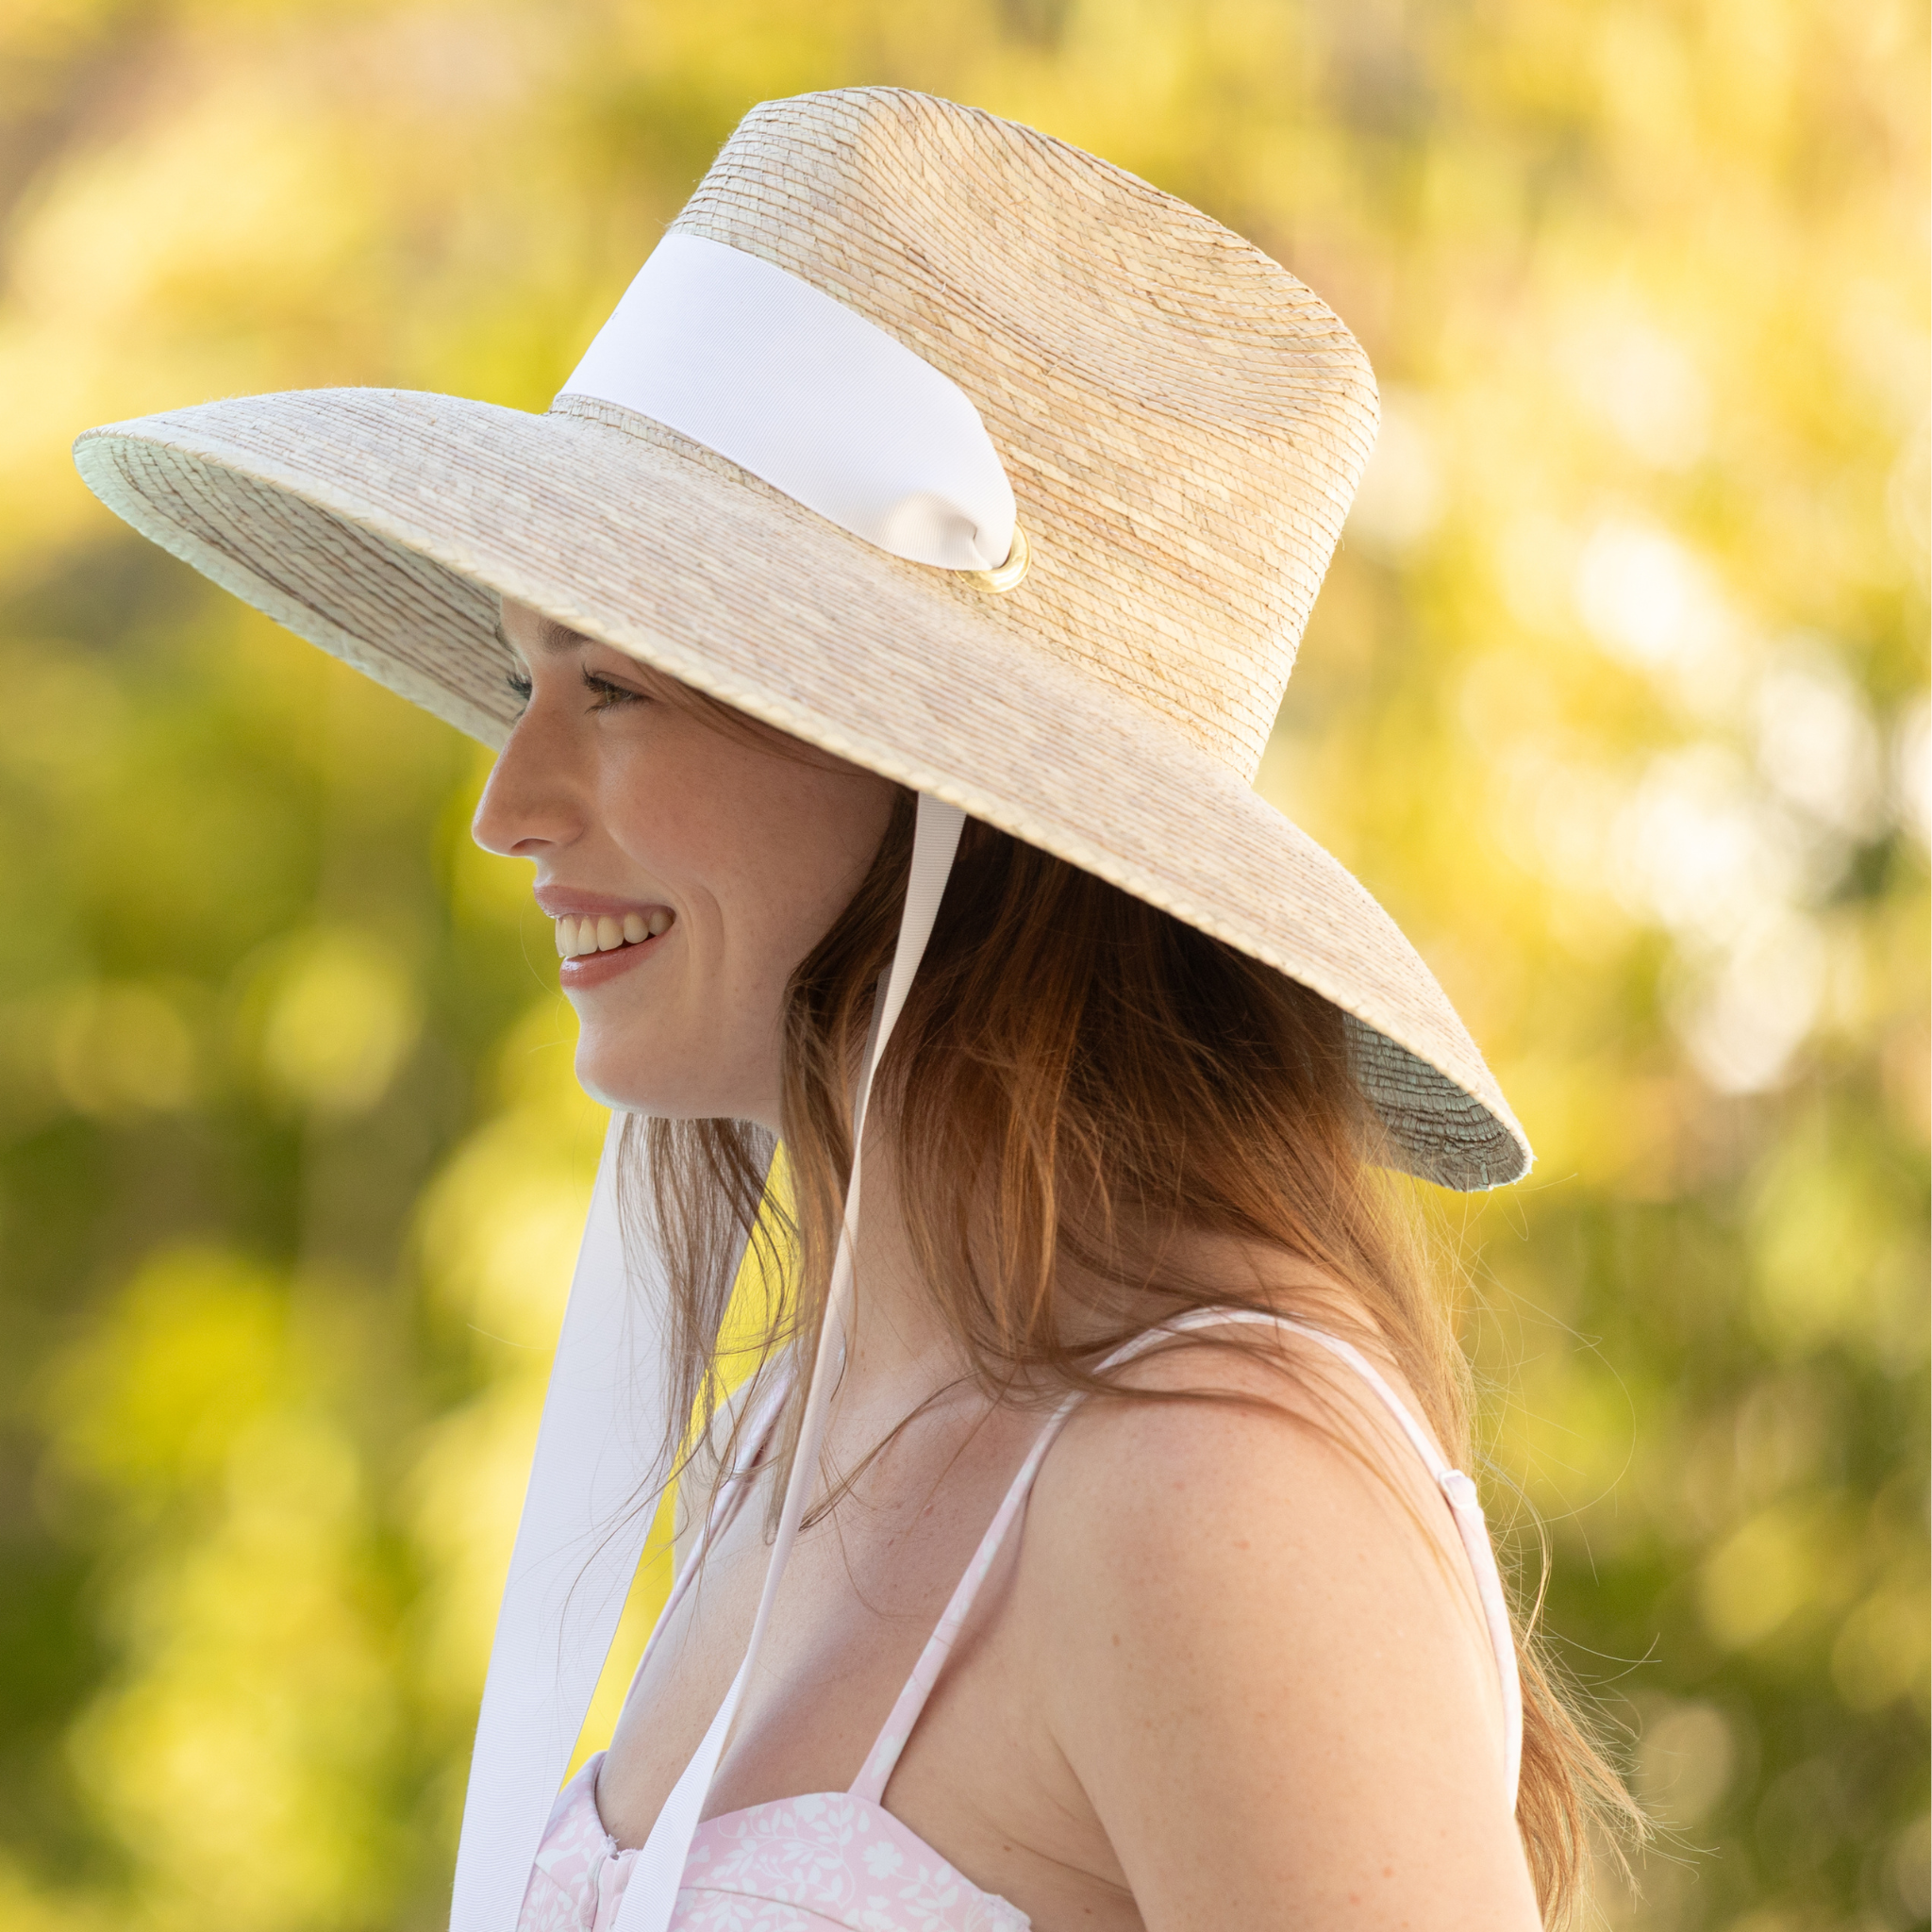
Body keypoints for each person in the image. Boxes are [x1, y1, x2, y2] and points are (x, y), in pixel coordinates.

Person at [75, 85, 1631, 1932]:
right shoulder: (796, 1435)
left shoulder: (1211, 1488)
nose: (511, 804)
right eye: (524, 680)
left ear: (936, 775)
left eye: (618, 686)